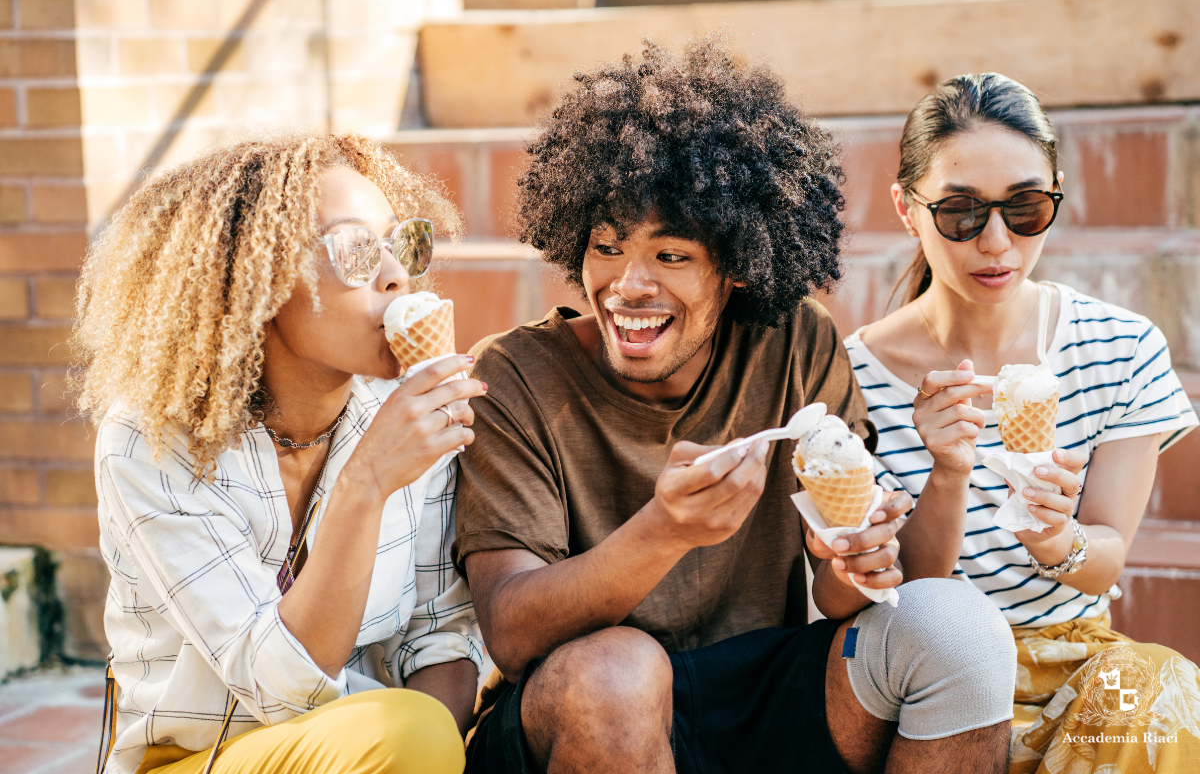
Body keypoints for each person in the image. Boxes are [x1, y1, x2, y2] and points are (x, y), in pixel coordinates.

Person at [455, 38, 1018, 774]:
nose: (628, 285)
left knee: (958, 629)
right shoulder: (516, 375)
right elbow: (511, 629)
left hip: (761, 685)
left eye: (672, 255)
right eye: (606, 247)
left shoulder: (794, 345)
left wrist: (850, 555)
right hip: (586, 703)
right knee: (619, 673)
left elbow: (846, 596)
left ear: (740, 268)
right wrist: (664, 532)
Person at [72, 133, 486, 774]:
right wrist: (366, 483)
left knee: (426, 730)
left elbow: (438, 635)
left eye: (403, 242)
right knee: (407, 732)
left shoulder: (401, 413)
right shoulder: (152, 442)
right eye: (354, 249)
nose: (397, 274)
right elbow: (279, 686)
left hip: (369, 751)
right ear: (255, 282)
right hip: (201, 759)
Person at [847, 72, 1200, 773]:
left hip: (1073, 657)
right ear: (907, 209)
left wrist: (1057, 538)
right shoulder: (854, 375)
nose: (997, 242)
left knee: (1160, 690)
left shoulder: (1118, 347)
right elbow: (902, 590)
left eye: (1026, 207)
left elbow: (1103, 564)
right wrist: (947, 473)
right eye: (960, 213)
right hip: (924, 671)